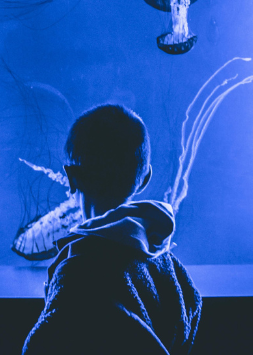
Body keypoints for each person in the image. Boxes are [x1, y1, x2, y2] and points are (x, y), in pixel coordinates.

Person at [22, 104, 202, 354]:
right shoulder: (167, 264)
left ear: (71, 177)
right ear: (145, 178)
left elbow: (44, 344)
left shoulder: (78, 274)